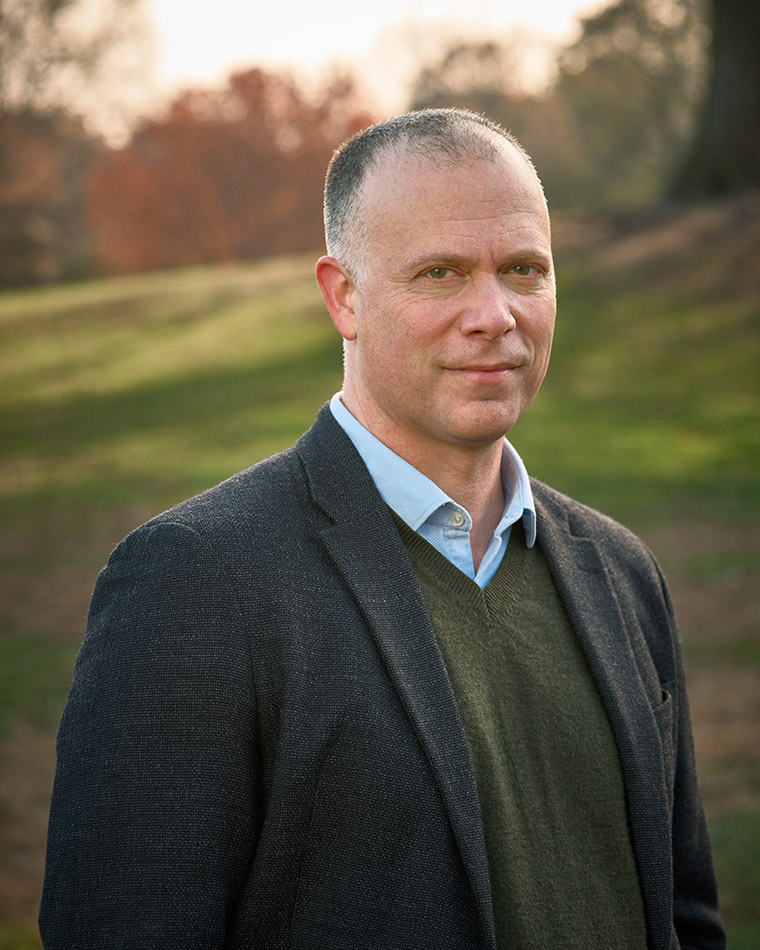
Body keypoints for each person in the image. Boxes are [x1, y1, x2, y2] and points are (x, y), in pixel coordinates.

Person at [40, 108, 724, 949]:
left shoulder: (622, 572)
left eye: (523, 269)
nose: (494, 313)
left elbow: (686, 916)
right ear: (344, 297)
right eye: (439, 273)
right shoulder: (197, 583)